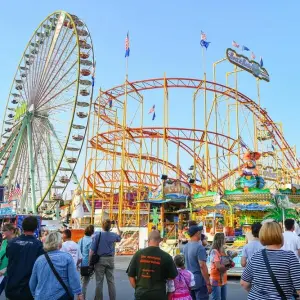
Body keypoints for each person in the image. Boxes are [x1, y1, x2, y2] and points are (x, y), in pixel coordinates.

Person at [240, 221, 300, 299]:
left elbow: (244, 283)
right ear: (280, 235)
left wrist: (258, 295)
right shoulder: (289, 257)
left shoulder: (256, 256)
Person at [30, 231, 84, 300]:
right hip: (62, 295)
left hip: (42, 296)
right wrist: (79, 293)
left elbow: (32, 282)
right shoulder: (67, 258)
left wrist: (35, 295)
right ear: (60, 244)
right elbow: (73, 278)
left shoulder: (39, 260)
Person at [127, 230, 178, 300]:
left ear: (148, 240)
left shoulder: (138, 254)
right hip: (159, 294)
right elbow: (173, 276)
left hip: (141, 294)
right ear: (160, 241)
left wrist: (137, 289)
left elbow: (131, 276)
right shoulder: (166, 257)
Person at [5, 216, 44, 300]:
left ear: (22, 226)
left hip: (11, 287)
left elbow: (8, 256)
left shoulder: (12, 243)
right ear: (36, 228)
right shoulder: (38, 245)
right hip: (28, 289)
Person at [89, 219, 122, 300]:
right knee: (111, 282)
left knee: (99, 282)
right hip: (110, 259)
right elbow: (119, 236)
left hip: (100, 260)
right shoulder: (113, 235)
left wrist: (90, 262)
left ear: (102, 226)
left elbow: (91, 251)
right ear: (110, 227)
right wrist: (117, 225)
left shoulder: (97, 235)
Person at [183, 225, 211, 300]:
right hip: (198, 280)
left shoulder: (185, 247)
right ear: (196, 233)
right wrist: (208, 283)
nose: (200, 233)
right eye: (199, 231)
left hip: (188, 279)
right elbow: (202, 266)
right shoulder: (199, 247)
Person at [209, 233, 230, 300]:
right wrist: (229, 264)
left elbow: (226, 264)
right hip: (216, 279)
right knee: (216, 298)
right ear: (220, 240)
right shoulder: (214, 251)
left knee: (223, 298)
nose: (225, 239)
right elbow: (218, 266)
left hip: (223, 278)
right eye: (224, 238)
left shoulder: (223, 250)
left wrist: (229, 263)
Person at [78, 225, 94, 298]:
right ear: (92, 232)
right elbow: (91, 253)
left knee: (81, 282)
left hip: (81, 263)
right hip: (87, 263)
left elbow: (79, 252)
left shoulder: (81, 240)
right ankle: (82, 298)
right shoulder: (91, 241)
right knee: (85, 284)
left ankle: (80, 297)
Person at [0, 224, 16, 295]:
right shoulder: (4, 242)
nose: (2, 232)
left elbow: (15, 260)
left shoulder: (17, 243)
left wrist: (3, 271)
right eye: (2, 230)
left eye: (4, 230)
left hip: (7, 273)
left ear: (11, 231)